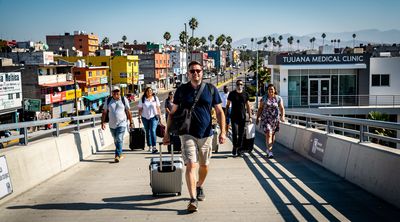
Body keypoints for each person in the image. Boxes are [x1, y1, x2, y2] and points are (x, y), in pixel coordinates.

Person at [163, 60, 226, 213]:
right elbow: (172, 113)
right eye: (192, 71)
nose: (195, 73)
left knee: (204, 166)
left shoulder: (211, 89)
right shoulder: (181, 90)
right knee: (191, 165)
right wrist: (166, 134)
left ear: (202, 72)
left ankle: (199, 185)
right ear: (188, 73)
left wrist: (223, 132)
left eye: (198, 70)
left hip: (206, 134)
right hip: (187, 133)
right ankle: (192, 199)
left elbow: (219, 112)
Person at [101, 86, 133, 163]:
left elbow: (128, 111)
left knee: (119, 138)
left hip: (122, 123)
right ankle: (120, 153)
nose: (116, 94)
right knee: (116, 140)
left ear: (119, 92)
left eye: (117, 92)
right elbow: (104, 112)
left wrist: (131, 121)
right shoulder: (108, 100)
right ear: (112, 93)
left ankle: (117, 155)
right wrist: (102, 122)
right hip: (112, 124)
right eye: (114, 92)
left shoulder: (123, 99)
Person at [256, 84, 285, 159]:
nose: (271, 91)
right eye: (269, 89)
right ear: (267, 90)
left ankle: (268, 149)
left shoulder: (278, 98)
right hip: (266, 119)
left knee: (272, 135)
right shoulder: (264, 98)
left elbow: (281, 108)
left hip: (275, 119)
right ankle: (270, 151)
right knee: (269, 133)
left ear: (274, 90)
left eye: (272, 89)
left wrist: (282, 116)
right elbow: (260, 108)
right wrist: (257, 118)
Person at [226, 79, 252, 157]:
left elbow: (248, 106)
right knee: (235, 132)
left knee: (241, 134)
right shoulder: (232, 94)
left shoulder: (245, 94)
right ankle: (234, 146)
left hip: (242, 117)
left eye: (241, 84)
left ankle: (239, 149)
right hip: (234, 117)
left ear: (242, 85)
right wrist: (226, 114)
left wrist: (250, 116)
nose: (239, 86)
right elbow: (228, 105)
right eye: (238, 84)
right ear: (236, 85)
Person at [138, 87, 161, 154]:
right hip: (145, 117)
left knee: (153, 130)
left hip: (154, 117)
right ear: (145, 92)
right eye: (148, 91)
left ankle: (154, 146)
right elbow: (140, 109)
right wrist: (139, 117)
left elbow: (158, 108)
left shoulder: (155, 98)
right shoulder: (142, 99)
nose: (149, 92)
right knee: (147, 132)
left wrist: (160, 117)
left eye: (150, 91)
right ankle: (150, 146)